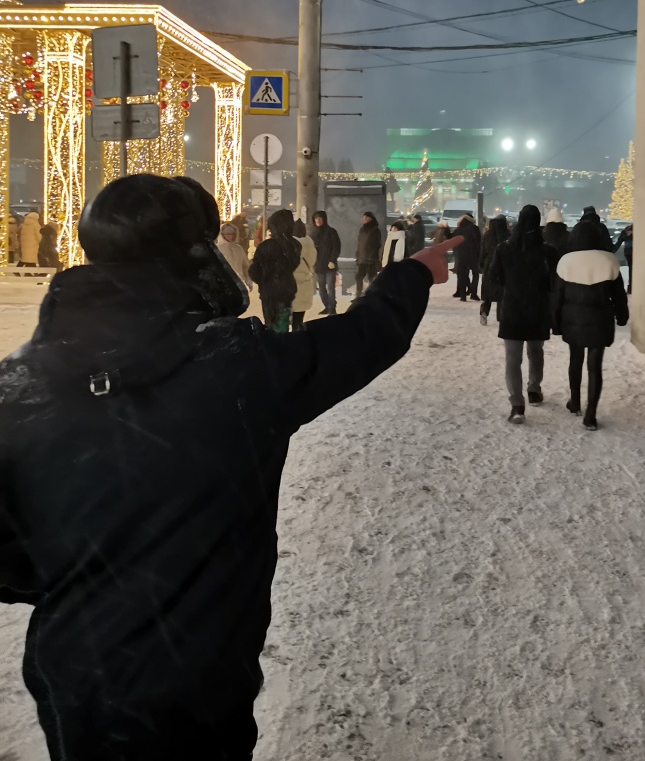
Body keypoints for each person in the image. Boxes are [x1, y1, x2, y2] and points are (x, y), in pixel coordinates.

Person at [0, 173, 458, 761]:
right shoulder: (235, 369)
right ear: (193, 256)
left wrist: (93, 567)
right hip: (197, 681)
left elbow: (10, 562)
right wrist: (412, 274)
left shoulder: (18, 384)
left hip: (75, 678)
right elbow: (362, 339)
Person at [552, 220, 629, 431]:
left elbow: (557, 296)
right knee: (595, 367)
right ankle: (591, 414)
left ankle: (575, 402)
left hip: (573, 320)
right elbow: (619, 295)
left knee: (575, 360)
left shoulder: (566, 261)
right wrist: (622, 317)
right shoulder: (609, 260)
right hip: (600, 320)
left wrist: (555, 323)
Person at [491, 205, 556, 423]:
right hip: (538, 308)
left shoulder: (504, 248)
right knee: (536, 351)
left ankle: (517, 405)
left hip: (513, 309)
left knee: (513, 357)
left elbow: (494, 276)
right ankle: (534, 389)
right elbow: (554, 281)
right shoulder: (547, 251)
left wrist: (509, 288)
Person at [249, 209, 301, 332]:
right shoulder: (295, 245)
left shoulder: (266, 246)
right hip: (287, 289)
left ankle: (275, 341)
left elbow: (254, 271)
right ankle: (282, 339)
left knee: (271, 323)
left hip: (270, 291)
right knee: (282, 322)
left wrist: (264, 280)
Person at [478, 214, 510, 325]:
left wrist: (482, 266)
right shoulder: (508, 235)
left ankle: (484, 311)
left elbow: (482, 252)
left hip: (489, 267)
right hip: (503, 268)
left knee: (488, 294)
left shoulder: (487, 235)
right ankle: (501, 317)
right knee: (502, 295)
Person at [310, 210, 341, 316]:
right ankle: (327, 306)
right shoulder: (313, 234)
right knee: (321, 288)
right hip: (319, 265)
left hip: (330, 265)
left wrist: (332, 260)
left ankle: (332, 308)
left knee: (331, 288)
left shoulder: (331, 232)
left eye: (320, 218)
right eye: (316, 218)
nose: (318, 220)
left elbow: (336, 247)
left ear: (324, 219)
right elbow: (311, 250)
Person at [291, 219, 317, 330]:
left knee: (286, 319)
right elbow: (312, 262)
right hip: (305, 284)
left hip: (291, 286)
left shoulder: (290, 246)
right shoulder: (310, 246)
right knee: (298, 320)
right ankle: (298, 336)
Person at [452, 213, 481, 301]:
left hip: (461, 255)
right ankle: (473, 293)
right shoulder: (474, 228)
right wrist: (479, 253)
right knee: (475, 274)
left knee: (462, 275)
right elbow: (478, 242)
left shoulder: (458, 229)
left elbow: (453, 240)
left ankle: (463, 296)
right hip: (473, 255)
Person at [217, 222, 252, 290]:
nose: (230, 236)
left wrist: (248, 281)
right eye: (227, 234)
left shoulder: (239, 249)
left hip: (239, 284)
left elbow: (245, 267)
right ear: (222, 235)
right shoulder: (217, 249)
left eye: (232, 234)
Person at [355, 212, 382, 298]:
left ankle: (371, 296)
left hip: (371, 260)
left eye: (366, 218)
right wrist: (358, 255)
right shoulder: (362, 229)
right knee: (359, 277)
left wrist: (372, 256)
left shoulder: (375, 230)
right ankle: (358, 295)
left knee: (372, 279)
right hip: (362, 259)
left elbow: (376, 245)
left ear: (370, 219)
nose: (364, 219)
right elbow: (359, 244)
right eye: (363, 218)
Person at [613, 223, 633, 294]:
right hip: (634, 251)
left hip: (628, 252)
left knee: (631, 269)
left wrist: (612, 251)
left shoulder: (625, 231)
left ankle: (630, 288)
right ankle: (631, 287)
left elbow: (618, 243)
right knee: (633, 269)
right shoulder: (639, 230)